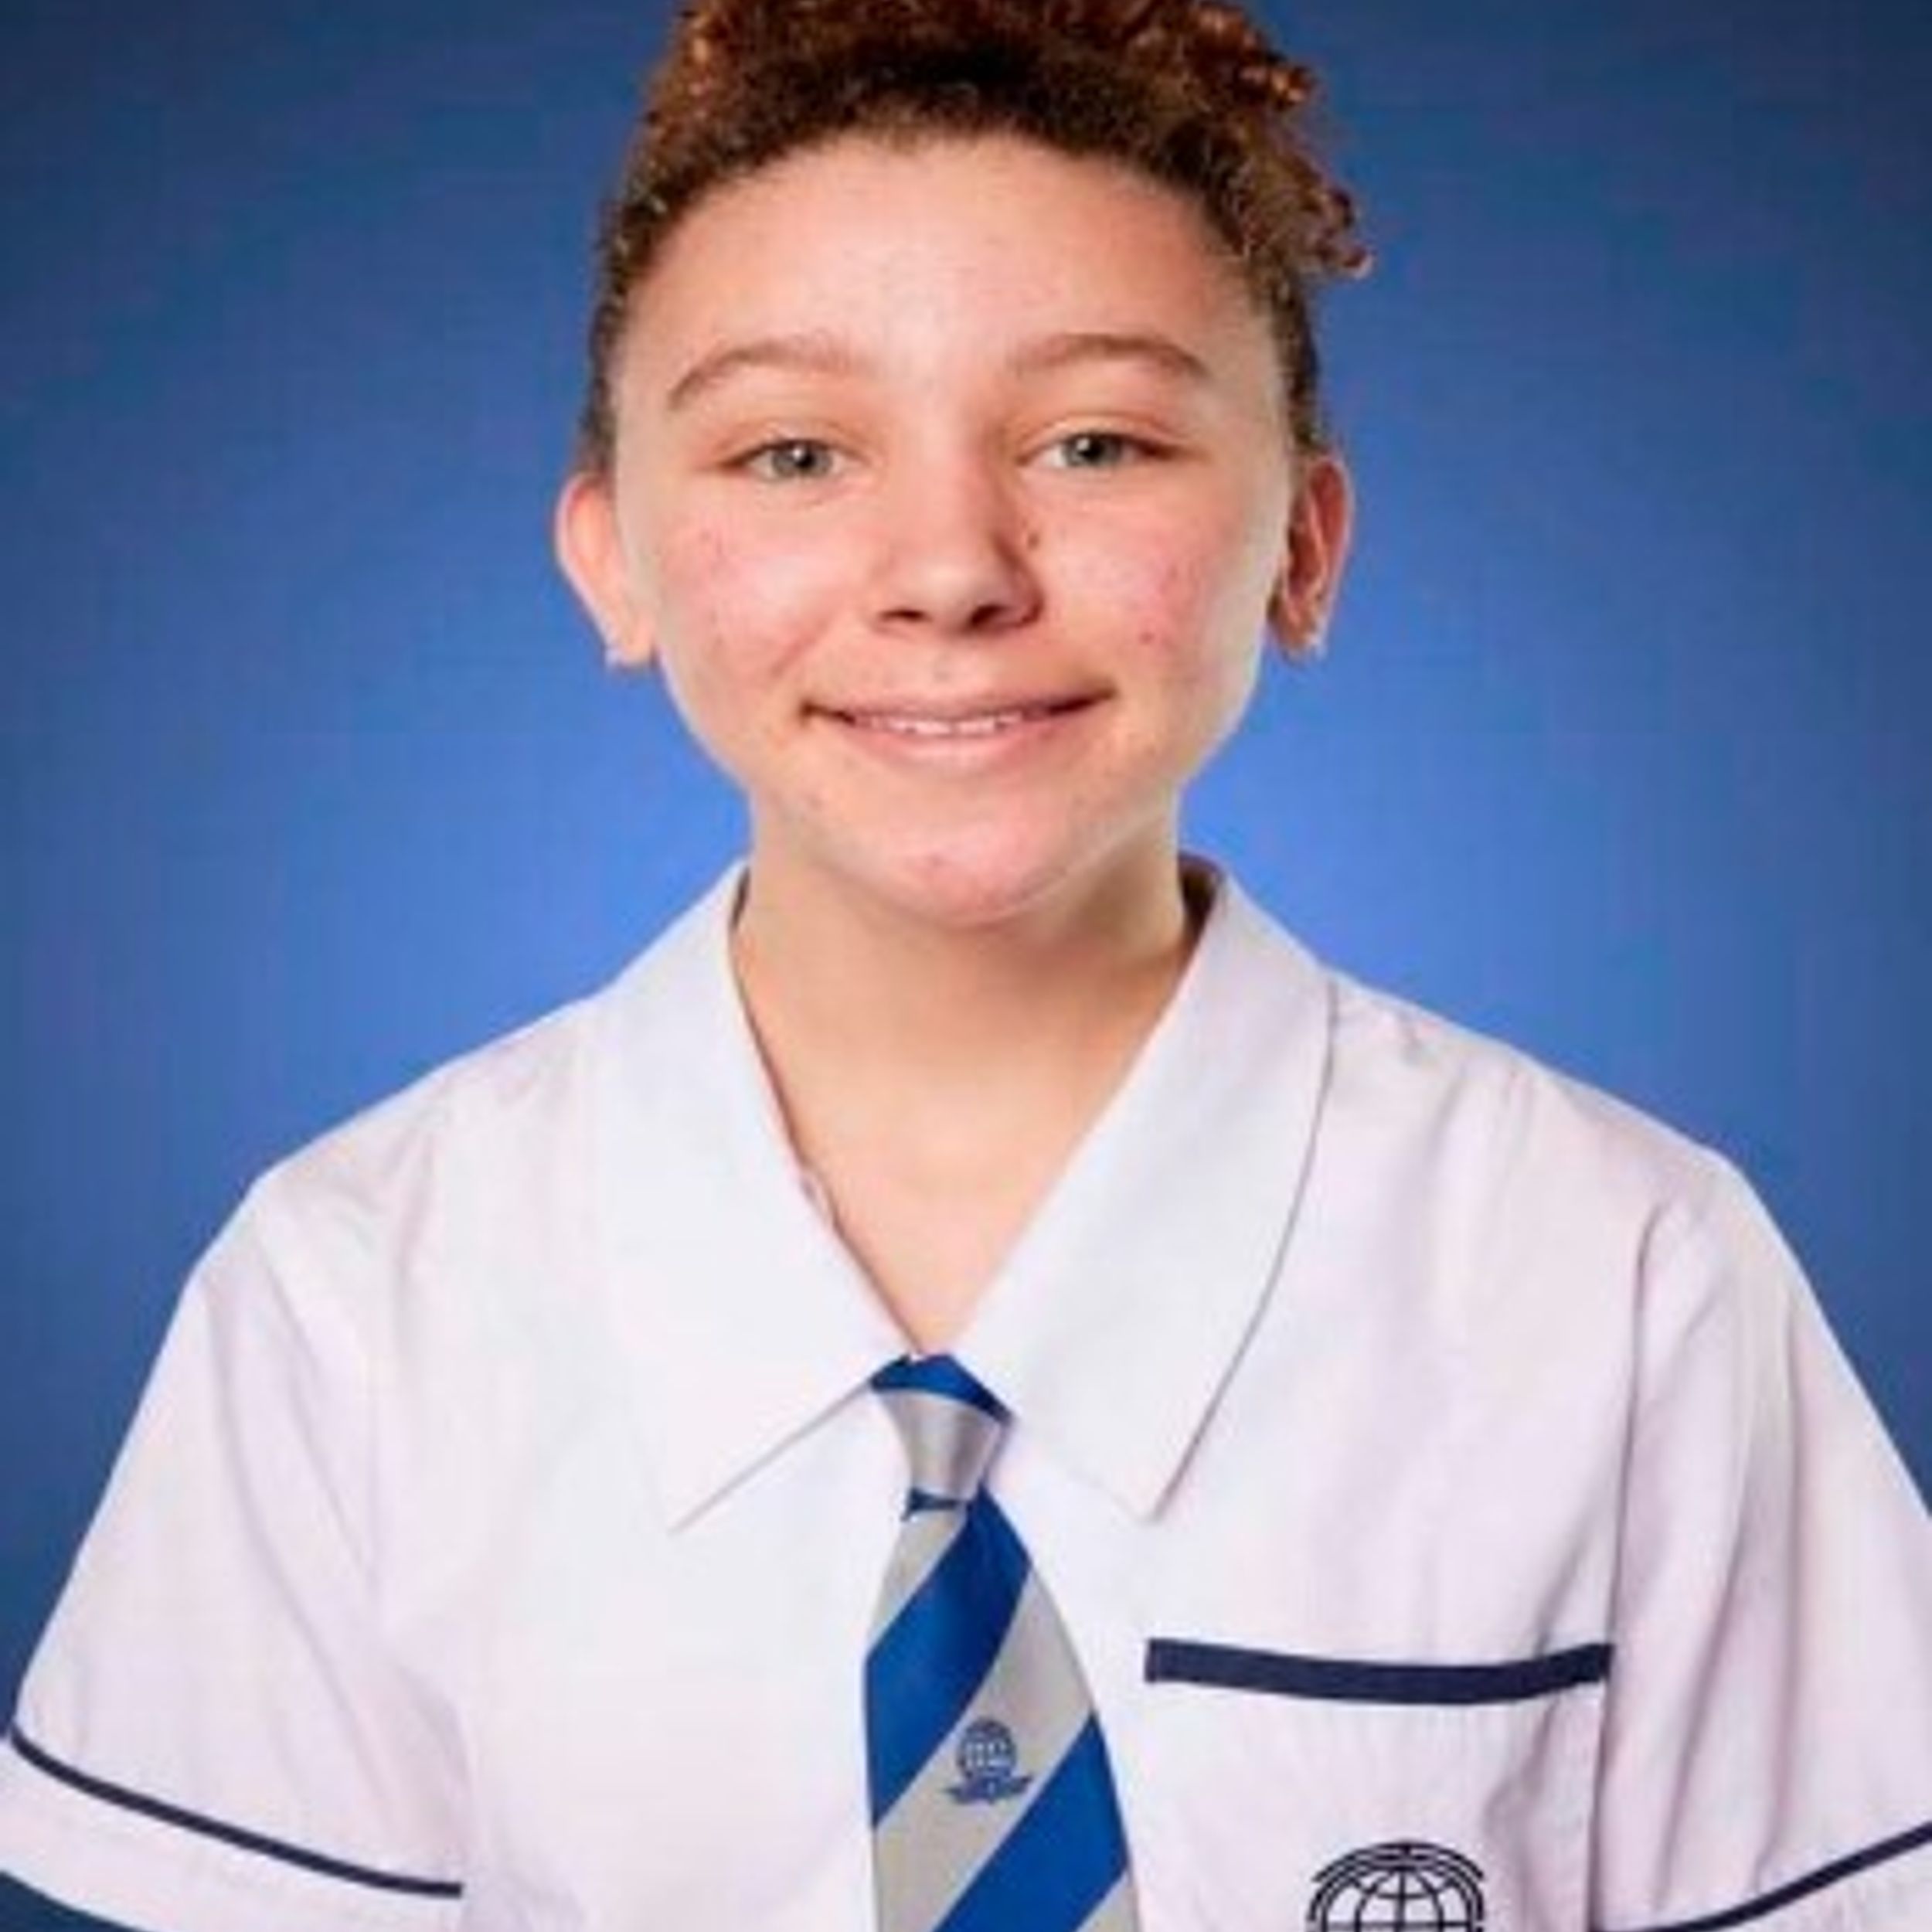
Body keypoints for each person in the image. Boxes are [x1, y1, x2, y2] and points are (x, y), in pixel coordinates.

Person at [2, 1, 1928, 1928]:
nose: (949, 568)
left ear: (1302, 543)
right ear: (611, 559)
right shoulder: (352, 1296)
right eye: (792, 451)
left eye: (1094, 440)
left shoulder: (1624, 1273)